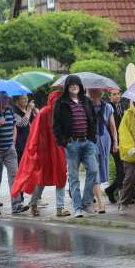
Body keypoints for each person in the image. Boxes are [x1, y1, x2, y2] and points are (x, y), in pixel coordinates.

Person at [11, 91, 70, 217]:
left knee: (61, 176)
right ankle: (33, 204)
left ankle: (60, 208)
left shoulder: (62, 113)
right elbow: (35, 133)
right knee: (42, 178)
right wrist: (34, 151)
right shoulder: (43, 113)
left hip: (58, 150)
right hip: (45, 151)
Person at [52, 75, 99, 218]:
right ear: (67, 87)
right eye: (71, 84)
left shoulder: (86, 101)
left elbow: (93, 120)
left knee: (93, 170)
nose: (74, 86)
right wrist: (64, 142)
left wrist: (92, 139)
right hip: (71, 144)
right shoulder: (60, 103)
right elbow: (56, 125)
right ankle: (78, 208)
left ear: (80, 86)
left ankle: (86, 203)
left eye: (76, 84)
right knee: (74, 177)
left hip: (87, 142)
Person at [88, 88, 118, 213]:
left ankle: (90, 197)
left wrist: (115, 142)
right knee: (94, 170)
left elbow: (112, 126)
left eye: (96, 92)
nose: (94, 95)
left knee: (99, 171)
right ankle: (100, 201)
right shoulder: (85, 107)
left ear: (100, 94)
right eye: (91, 92)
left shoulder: (107, 107)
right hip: (90, 140)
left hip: (104, 140)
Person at [105, 89, 129, 204]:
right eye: (114, 94)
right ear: (110, 96)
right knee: (121, 169)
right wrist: (114, 141)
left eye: (118, 94)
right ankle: (121, 195)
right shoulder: (107, 107)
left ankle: (110, 190)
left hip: (125, 142)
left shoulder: (124, 106)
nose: (117, 96)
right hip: (114, 143)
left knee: (125, 170)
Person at [13, 95, 38, 164]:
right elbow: (22, 124)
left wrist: (36, 114)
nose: (26, 100)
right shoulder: (14, 112)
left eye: (26, 98)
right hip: (20, 146)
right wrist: (29, 110)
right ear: (17, 100)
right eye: (23, 98)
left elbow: (35, 124)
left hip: (30, 144)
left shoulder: (27, 111)